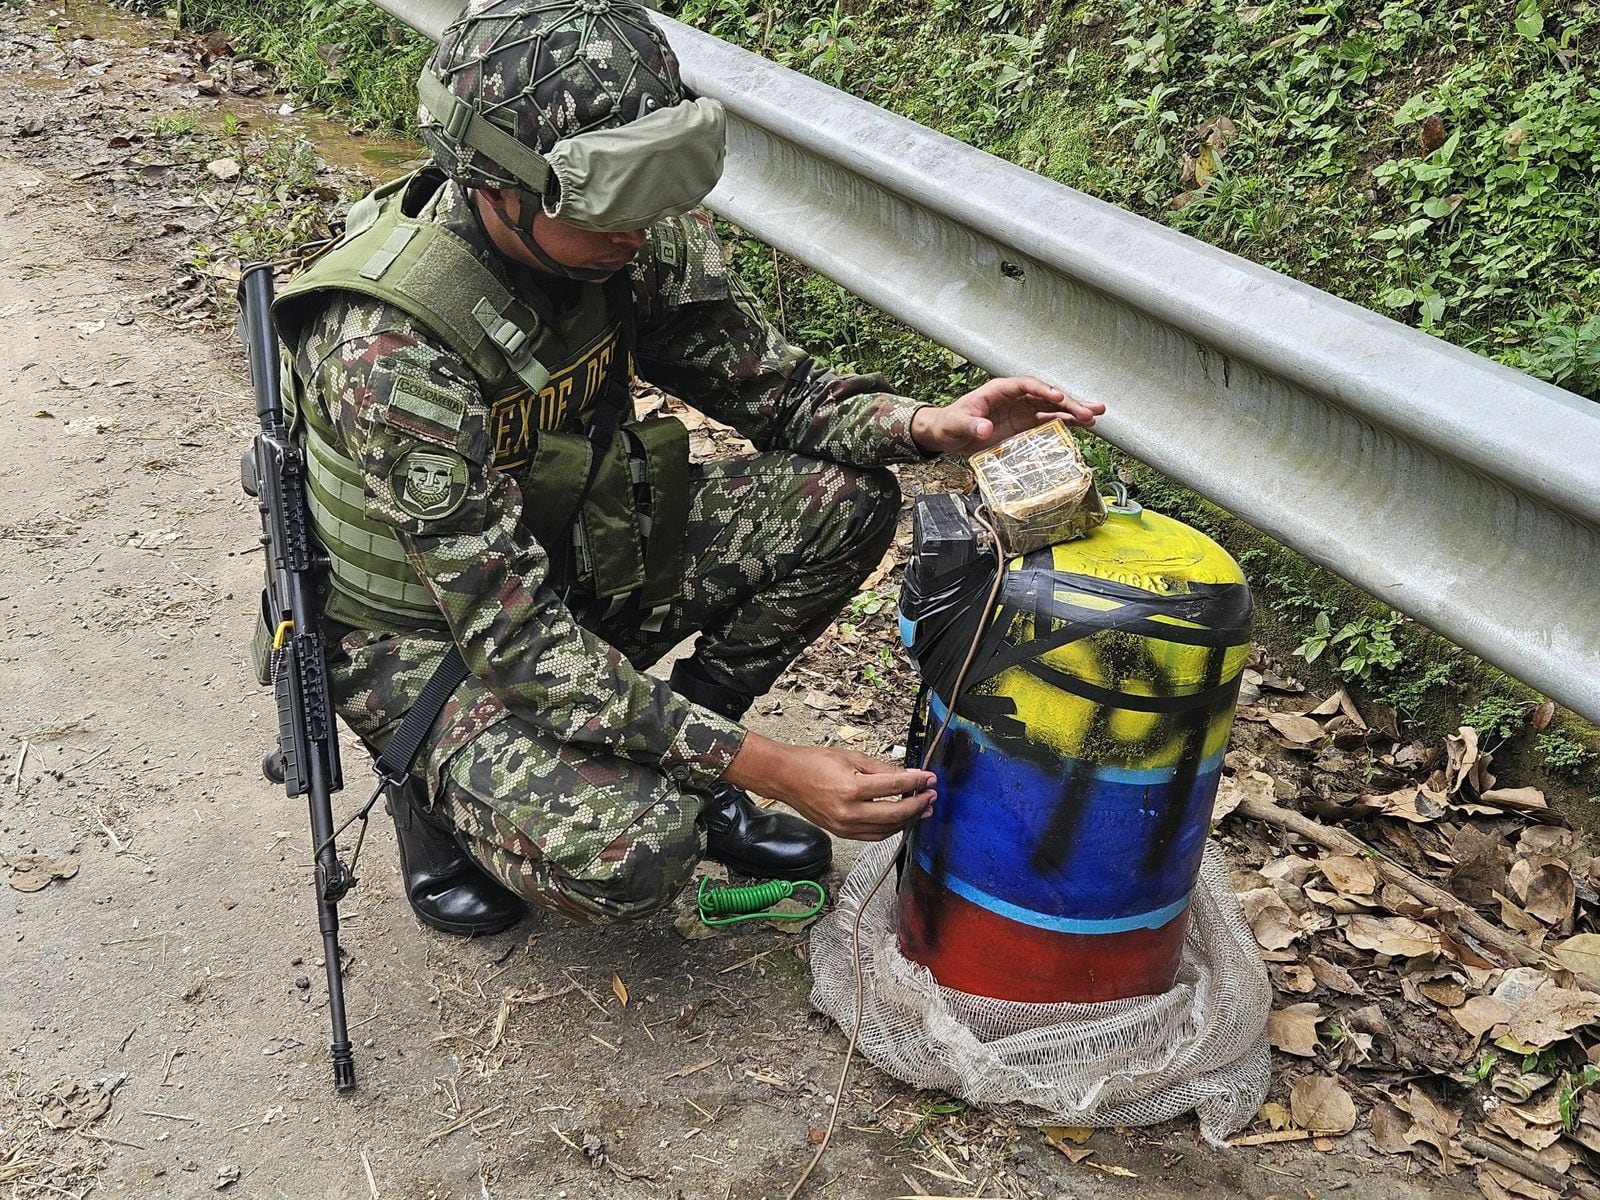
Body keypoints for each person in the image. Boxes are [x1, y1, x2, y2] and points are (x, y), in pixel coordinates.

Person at [268, 0, 1103, 936]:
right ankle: (434, 797)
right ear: (501, 186)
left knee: (848, 499)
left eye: (655, 198)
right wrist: (768, 765)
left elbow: (777, 392)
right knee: (637, 855)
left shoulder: (622, 241)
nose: (641, 233)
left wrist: (927, 424)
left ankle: (680, 760)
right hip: (427, 642)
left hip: (569, 548)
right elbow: (518, 643)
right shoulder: (393, 352)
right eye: (612, 208)